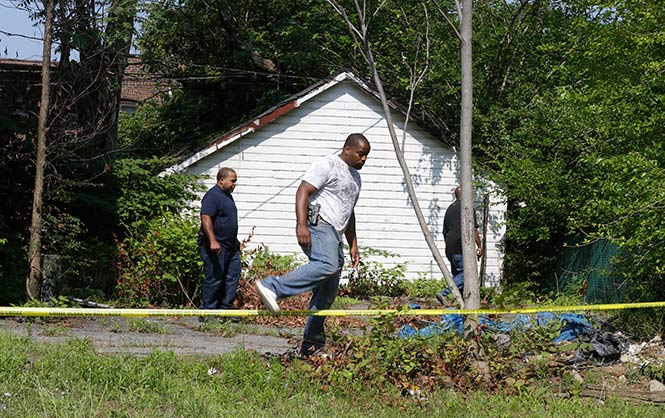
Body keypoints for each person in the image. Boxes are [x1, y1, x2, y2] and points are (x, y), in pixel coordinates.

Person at [255, 133, 371, 356]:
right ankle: (272, 287)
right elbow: (303, 191)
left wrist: (353, 244)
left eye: (366, 155)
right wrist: (301, 225)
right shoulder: (327, 164)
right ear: (347, 149)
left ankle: (311, 348)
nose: (364, 159)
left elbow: (349, 212)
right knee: (327, 264)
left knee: (326, 295)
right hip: (318, 225)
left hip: (336, 234)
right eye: (361, 153)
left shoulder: (356, 178)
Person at [198, 167, 242, 322]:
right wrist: (213, 240)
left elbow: (225, 220)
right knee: (215, 277)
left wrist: (234, 240)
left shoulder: (227, 196)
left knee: (233, 276)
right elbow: (206, 218)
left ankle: (225, 311)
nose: (234, 184)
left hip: (230, 247)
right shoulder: (213, 196)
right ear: (221, 180)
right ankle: (208, 312)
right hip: (216, 246)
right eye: (232, 180)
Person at [436, 185, 483, 305]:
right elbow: (474, 229)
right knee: (466, 274)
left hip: (450, 247)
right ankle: (444, 293)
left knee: (457, 274)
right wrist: (479, 246)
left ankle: (460, 302)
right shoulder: (467, 207)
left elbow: (444, 231)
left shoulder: (450, 209)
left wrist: (448, 243)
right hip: (460, 247)